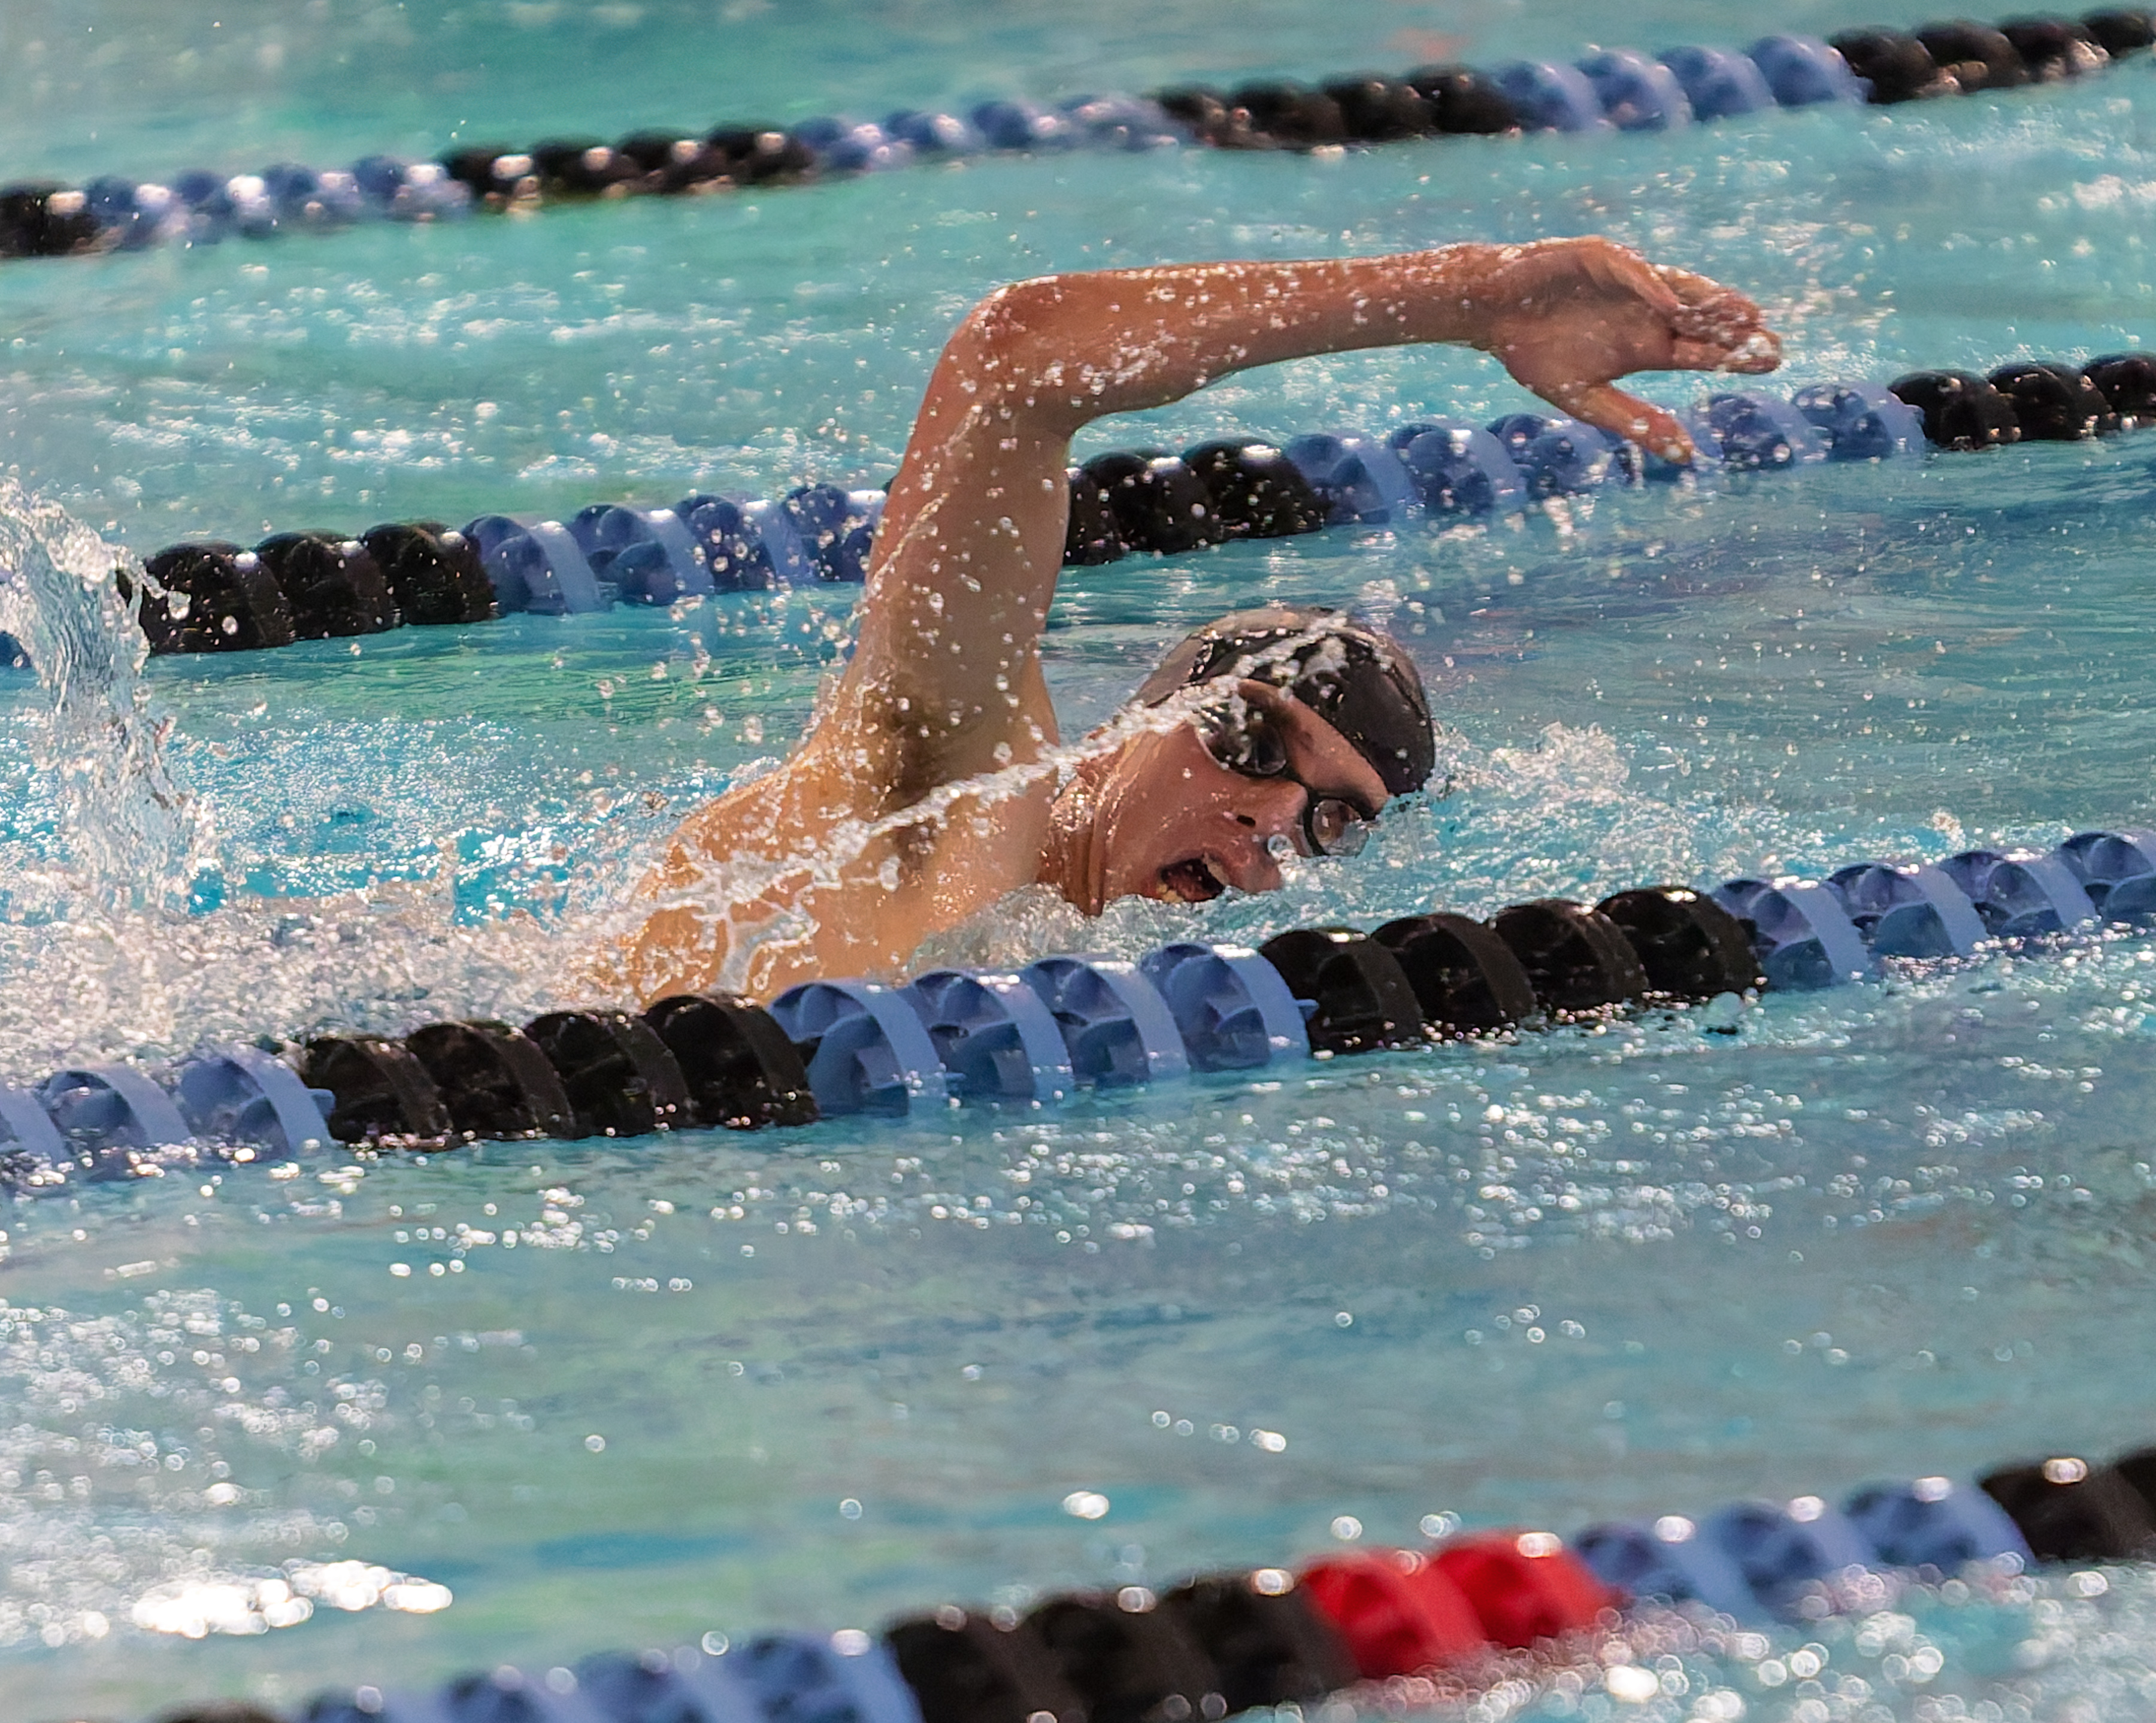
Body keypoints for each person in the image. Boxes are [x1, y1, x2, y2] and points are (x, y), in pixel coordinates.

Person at [618, 237, 1780, 1002]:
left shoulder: (1101, 978)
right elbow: (1008, 367)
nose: (1272, 816)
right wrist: (1470, 301)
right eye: (1253, 740)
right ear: (1144, 714)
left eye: (1330, 822)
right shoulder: (947, 792)